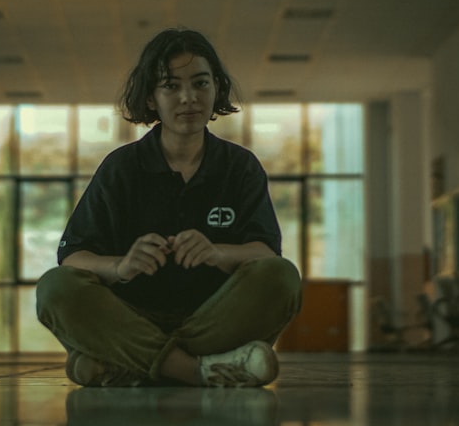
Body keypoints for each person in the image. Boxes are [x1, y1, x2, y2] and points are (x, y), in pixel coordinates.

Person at [36, 28, 302, 387]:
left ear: (217, 89)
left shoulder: (240, 167)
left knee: (282, 277)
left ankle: (124, 364)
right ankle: (197, 370)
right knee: (55, 288)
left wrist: (216, 253)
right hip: (131, 316)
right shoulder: (121, 168)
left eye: (201, 83)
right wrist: (122, 266)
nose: (189, 97)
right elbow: (72, 257)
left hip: (214, 318)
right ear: (151, 98)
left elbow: (265, 254)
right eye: (171, 86)